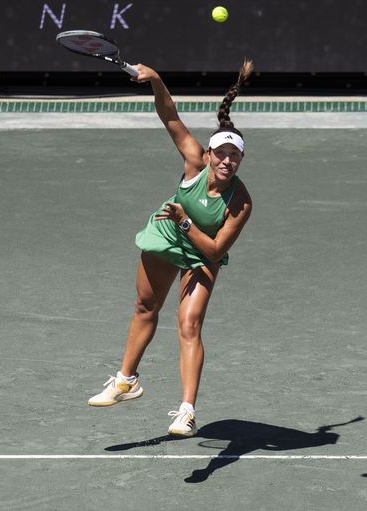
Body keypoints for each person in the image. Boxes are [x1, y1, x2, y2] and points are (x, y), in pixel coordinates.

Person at [88, 59, 254, 438]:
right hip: (166, 239)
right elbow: (170, 117)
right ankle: (126, 381)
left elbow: (213, 250)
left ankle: (186, 411)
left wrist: (183, 220)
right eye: (222, 154)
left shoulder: (241, 201)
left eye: (236, 156)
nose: (228, 161)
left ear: (241, 160)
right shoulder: (194, 162)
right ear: (209, 155)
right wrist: (158, 81)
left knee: (189, 325)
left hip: (199, 251)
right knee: (146, 308)